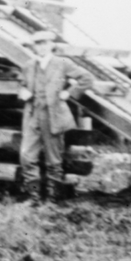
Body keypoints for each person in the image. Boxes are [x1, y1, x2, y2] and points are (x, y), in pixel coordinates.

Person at [17, 30, 94, 203]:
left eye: (45, 43)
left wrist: (69, 93)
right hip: (32, 115)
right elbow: (21, 84)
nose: (41, 47)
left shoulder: (62, 63)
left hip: (54, 116)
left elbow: (87, 78)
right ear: (34, 46)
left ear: (51, 45)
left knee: (54, 158)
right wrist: (22, 91)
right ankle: (34, 197)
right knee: (26, 156)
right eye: (38, 44)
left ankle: (52, 199)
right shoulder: (29, 65)